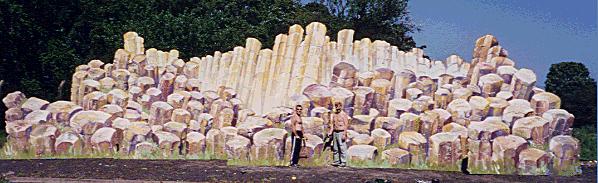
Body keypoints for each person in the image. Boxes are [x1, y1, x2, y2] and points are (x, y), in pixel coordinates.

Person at [329, 102, 349, 167]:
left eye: (338, 106)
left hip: (341, 132)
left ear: (341, 106)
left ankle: (343, 162)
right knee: (335, 147)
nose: (337, 107)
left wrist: (344, 134)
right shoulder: (334, 115)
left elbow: (346, 125)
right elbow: (332, 124)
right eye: (336, 106)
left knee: (342, 147)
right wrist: (330, 132)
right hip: (335, 132)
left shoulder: (343, 114)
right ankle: (336, 161)